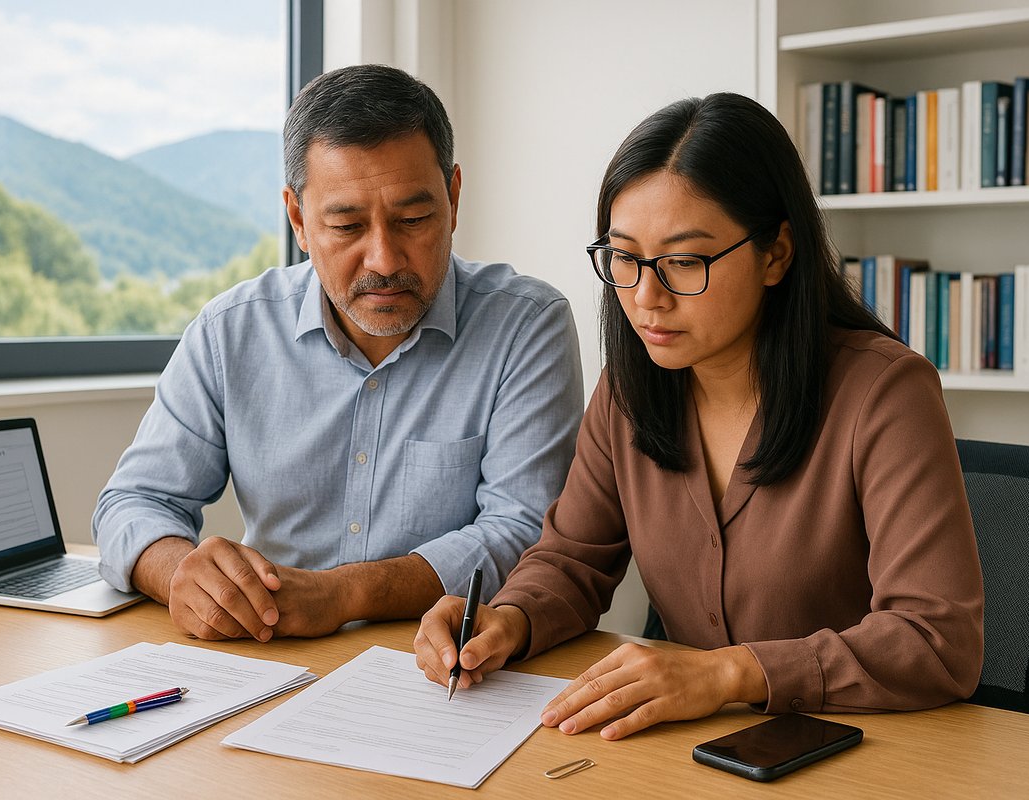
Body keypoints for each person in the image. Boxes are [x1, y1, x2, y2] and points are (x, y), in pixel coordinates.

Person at [414, 92, 984, 739]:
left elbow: (937, 640)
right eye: (624, 259)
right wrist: (508, 619)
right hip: (693, 755)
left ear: (776, 253)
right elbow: (571, 561)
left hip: (864, 753)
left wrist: (729, 675)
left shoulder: (885, 393)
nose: (647, 297)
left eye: (684, 262)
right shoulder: (629, 392)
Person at [93, 64, 583, 642]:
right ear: (299, 218)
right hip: (268, 653)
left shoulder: (526, 326)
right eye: (347, 226)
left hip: (448, 664)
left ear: (453, 197)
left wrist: (345, 593)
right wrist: (182, 573)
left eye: (414, 219)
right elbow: (134, 501)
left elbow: (524, 530)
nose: (383, 259)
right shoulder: (232, 331)